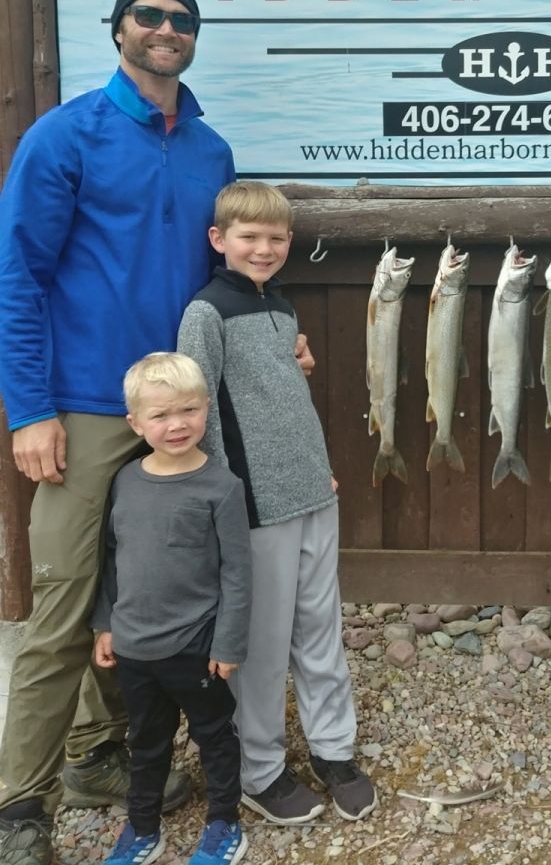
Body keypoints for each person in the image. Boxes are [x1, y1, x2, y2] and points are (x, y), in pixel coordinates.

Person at [0, 0, 236, 865]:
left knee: (141, 594)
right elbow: (18, 273)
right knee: (63, 605)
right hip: (89, 406)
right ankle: (20, 804)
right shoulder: (66, 136)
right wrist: (31, 409)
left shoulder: (211, 149)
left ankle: (97, 762)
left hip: (179, 411)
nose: (167, 30)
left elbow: (224, 271)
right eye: (151, 16)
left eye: (182, 20)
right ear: (120, 30)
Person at [177, 181, 377, 826]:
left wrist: (319, 471)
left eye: (275, 238)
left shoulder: (283, 310)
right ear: (219, 241)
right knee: (260, 645)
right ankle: (259, 769)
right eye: (249, 237)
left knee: (321, 628)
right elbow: (200, 410)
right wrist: (222, 499)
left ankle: (333, 749)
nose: (263, 249)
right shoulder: (205, 313)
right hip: (254, 507)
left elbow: (286, 404)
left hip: (314, 495)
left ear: (289, 243)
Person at [93, 353, 251, 865]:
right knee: (147, 743)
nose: (176, 424)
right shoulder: (125, 481)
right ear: (135, 423)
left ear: (207, 410)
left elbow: (236, 574)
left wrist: (228, 642)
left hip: (195, 647)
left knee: (214, 738)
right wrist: (104, 624)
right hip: (134, 648)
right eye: (159, 416)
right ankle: (143, 829)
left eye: (188, 410)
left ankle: (225, 823)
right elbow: (113, 559)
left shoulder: (222, 488)